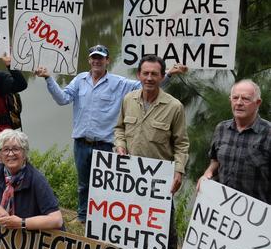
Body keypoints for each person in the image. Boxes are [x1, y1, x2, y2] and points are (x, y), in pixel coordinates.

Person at [35, 44, 188, 224]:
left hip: (106, 145)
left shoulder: (119, 83)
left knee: (107, 187)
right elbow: (62, 99)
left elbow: (147, 83)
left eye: (101, 58)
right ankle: (83, 216)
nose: (97, 61)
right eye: (94, 57)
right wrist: (48, 78)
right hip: (81, 143)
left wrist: (170, 73)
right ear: (89, 60)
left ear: (108, 61)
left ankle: (103, 219)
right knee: (83, 184)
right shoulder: (79, 80)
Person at [198, 79, 271, 249]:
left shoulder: (269, 133)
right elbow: (215, 160)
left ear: (257, 103)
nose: (239, 103)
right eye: (236, 98)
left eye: (246, 99)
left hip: (260, 213)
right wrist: (207, 174)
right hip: (226, 211)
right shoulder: (221, 129)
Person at [114, 54, 189, 249]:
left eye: (154, 74)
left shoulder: (174, 107)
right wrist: (120, 145)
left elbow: (182, 144)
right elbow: (119, 128)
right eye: (145, 73)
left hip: (158, 178)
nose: (149, 78)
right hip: (130, 175)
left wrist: (179, 171)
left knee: (164, 223)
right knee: (129, 216)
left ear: (163, 76)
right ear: (138, 75)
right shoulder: (128, 100)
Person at [0, 129, 64, 230]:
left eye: (16, 149)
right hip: (7, 238)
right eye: (6, 149)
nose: (11, 154)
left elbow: (57, 220)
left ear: (24, 154)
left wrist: (22, 223)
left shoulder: (36, 179)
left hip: (33, 237)